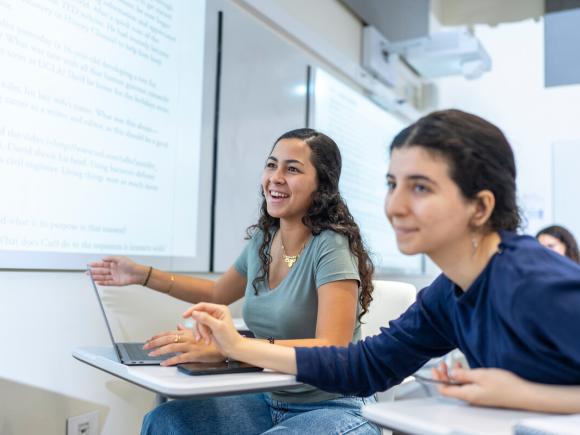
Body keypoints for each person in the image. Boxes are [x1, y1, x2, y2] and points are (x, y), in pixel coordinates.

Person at [188, 109, 580, 414]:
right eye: (393, 185)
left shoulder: (538, 283)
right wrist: (236, 346)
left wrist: (526, 394)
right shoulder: (447, 296)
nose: (395, 206)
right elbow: (365, 366)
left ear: (479, 206)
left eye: (420, 187)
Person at [89, 128, 380, 435]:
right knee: (166, 422)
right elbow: (217, 292)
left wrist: (234, 347)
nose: (276, 177)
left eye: (292, 169)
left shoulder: (332, 246)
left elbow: (332, 346)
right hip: (269, 400)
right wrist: (143, 275)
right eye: (271, 165)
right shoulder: (264, 241)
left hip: (334, 405)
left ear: (322, 185)